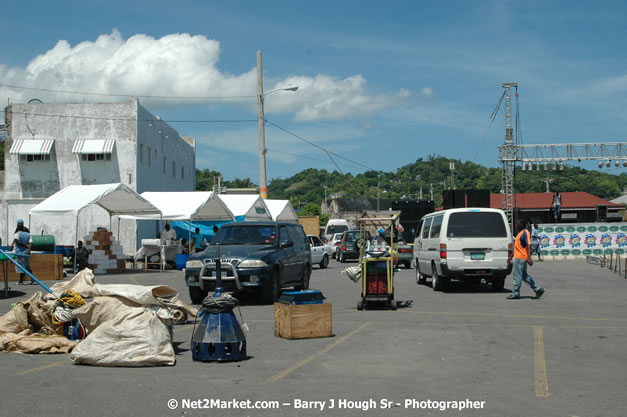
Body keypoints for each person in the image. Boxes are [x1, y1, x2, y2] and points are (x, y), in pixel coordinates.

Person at [506, 220, 545, 300]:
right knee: (524, 276)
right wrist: (510, 257)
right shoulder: (519, 234)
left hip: (521, 258)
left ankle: (515, 293)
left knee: (517, 276)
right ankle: (538, 289)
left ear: (522, 225)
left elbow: (529, 245)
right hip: (518, 257)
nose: (516, 225)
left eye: (518, 223)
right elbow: (517, 247)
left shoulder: (525, 232)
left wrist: (529, 257)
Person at [10, 220, 34, 285]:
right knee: (27, 266)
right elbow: (30, 243)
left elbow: (17, 241)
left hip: (19, 252)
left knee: (21, 267)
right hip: (26, 253)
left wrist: (25, 246)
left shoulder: (17, 233)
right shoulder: (28, 234)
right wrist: (28, 250)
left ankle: (21, 281)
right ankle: (32, 278)